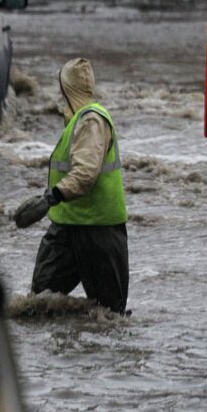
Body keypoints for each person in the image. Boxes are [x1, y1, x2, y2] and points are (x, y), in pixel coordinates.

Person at [13, 58, 130, 314]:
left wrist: (49, 198)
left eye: (61, 88)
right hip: (67, 227)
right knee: (38, 304)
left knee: (109, 314)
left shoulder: (91, 121)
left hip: (98, 232)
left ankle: (98, 353)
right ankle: (58, 352)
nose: (59, 94)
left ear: (68, 89)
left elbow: (86, 174)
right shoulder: (78, 119)